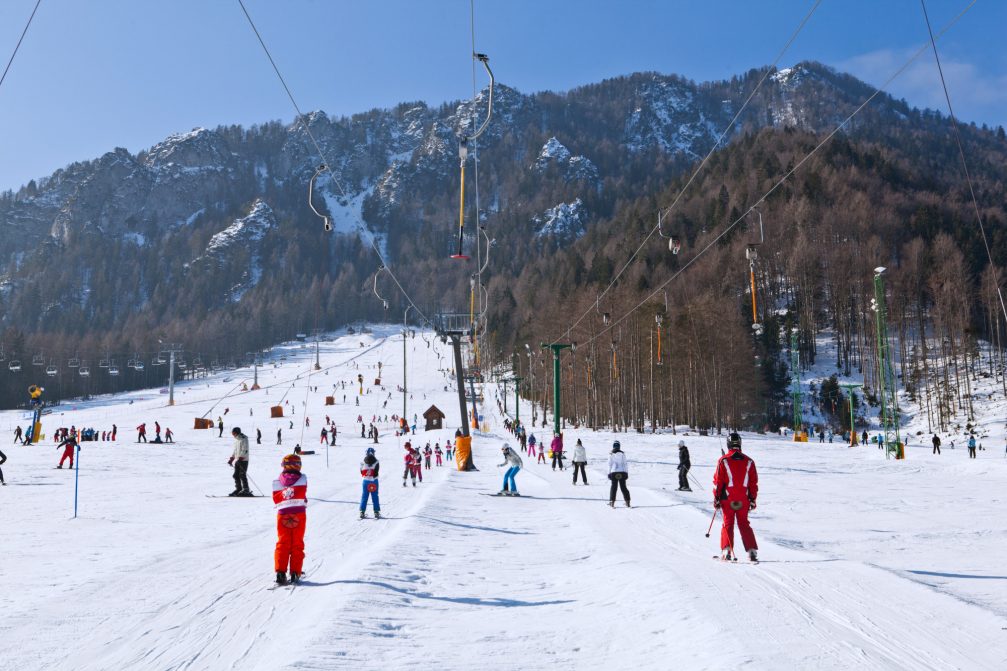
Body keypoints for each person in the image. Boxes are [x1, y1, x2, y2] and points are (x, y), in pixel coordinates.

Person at [713, 432, 759, 562]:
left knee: (728, 523)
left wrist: (716, 499)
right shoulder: (749, 461)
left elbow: (718, 482)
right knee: (744, 524)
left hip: (728, 499)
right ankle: (752, 552)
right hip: (743, 499)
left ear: (728, 444)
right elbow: (753, 483)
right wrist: (752, 499)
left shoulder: (723, 460)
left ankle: (726, 550)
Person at [272, 453, 307, 585]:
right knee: (297, 543)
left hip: (283, 514)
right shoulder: (302, 478)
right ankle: (295, 572)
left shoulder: (279, 479)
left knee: (283, 542)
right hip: (298, 513)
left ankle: (280, 572)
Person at [228, 427, 251, 496]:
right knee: (235, 475)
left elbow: (245, 449)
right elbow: (235, 450)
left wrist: (241, 457)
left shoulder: (244, 439)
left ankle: (246, 489)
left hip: (244, 460)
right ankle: (239, 489)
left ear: (236, 432)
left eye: (233, 433)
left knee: (242, 475)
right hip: (238, 460)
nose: (232, 434)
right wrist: (232, 458)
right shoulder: (237, 440)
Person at [607, 441, 631, 507]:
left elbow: (609, 464)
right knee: (623, 487)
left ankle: (612, 502)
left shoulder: (611, 454)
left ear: (613, 446)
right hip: (622, 472)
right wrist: (626, 473)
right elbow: (625, 464)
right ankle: (627, 502)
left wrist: (609, 473)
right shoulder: (623, 454)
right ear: (619, 446)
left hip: (614, 472)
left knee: (614, 487)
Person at [359, 447, 381, 519]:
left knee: (364, 496)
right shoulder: (376, 461)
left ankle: (362, 512)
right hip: (374, 481)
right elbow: (376, 472)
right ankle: (376, 512)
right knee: (375, 496)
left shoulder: (362, 461)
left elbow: (361, 472)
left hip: (365, 481)